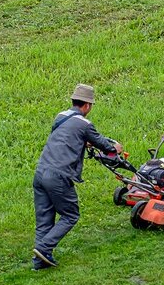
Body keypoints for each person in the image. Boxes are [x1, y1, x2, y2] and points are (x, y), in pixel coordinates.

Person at [32, 83, 123, 270]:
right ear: (88, 105)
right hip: (59, 175)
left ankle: (40, 261)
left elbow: (66, 138)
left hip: (40, 173)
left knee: (44, 218)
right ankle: (44, 247)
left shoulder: (61, 116)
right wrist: (116, 148)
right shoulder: (85, 123)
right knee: (70, 215)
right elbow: (104, 145)